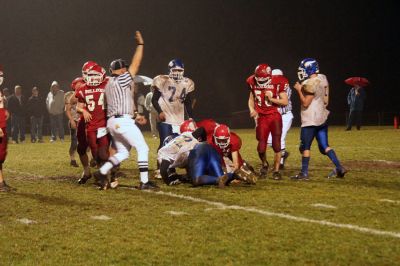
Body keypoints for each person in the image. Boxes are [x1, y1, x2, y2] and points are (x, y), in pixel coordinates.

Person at [95, 31, 158, 190]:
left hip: (114, 121)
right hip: (122, 121)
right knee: (143, 148)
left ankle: (102, 171)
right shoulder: (121, 79)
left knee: (123, 153)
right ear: (122, 70)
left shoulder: (109, 84)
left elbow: (121, 102)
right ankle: (144, 182)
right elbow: (135, 65)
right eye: (125, 70)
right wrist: (140, 45)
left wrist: (135, 115)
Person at [291, 58, 347, 180]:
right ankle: (339, 167)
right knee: (324, 146)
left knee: (305, 147)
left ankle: (304, 173)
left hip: (310, 119)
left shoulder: (309, 83)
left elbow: (305, 103)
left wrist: (299, 90)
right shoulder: (323, 77)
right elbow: (326, 98)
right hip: (321, 117)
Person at [247, 64, 288, 180]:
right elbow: (251, 99)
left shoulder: (277, 82)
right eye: (258, 78)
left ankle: (276, 170)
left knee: (276, 145)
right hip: (261, 117)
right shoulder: (251, 81)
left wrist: (271, 99)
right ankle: (265, 164)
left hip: (274, 116)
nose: (260, 81)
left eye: (263, 78)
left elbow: (285, 101)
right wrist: (252, 109)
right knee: (261, 146)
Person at [158, 123, 231, 187]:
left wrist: (168, 182)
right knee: (214, 173)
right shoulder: (185, 135)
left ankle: (217, 179)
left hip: (200, 151)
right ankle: (234, 175)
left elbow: (163, 170)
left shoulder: (165, 154)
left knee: (196, 179)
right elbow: (201, 129)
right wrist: (204, 140)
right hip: (205, 148)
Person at [151, 59, 195, 150]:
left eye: (179, 70)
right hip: (165, 119)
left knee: (179, 146)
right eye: (175, 70)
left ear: (183, 71)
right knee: (165, 144)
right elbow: (154, 99)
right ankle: (161, 163)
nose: (177, 72)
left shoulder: (187, 83)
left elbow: (188, 103)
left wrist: (191, 118)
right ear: (170, 70)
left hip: (180, 120)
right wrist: (160, 112)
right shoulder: (162, 80)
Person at [75, 64, 110, 176]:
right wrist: (82, 110)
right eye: (87, 73)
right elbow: (74, 103)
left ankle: (106, 172)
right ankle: (86, 170)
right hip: (85, 121)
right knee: (81, 148)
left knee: (104, 149)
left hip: (102, 121)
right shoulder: (80, 85)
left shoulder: (107, 83)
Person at [267, 69, 293, 169]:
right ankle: (283, 153)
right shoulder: (272, 87)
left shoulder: (285, 87)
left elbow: (283, 102)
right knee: (269, 140)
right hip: (275, 116)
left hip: (285, 116)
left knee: (279, 138)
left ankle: (280, 163)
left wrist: (270, 99)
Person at [0, 68, 14, 192]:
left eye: (1, 75)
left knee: (2, 154)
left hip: (2, 125)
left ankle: (1, 182)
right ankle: (1, 182)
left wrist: (5, 111)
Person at [65, 82, 82, 167]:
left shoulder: (85, 92)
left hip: (83, 120)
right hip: (74, 120)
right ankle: (72, 159)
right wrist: (71, 120)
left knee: (88, 141)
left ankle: (91, 159)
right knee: (74, 142)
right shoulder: (69, 95)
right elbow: (67, 109)